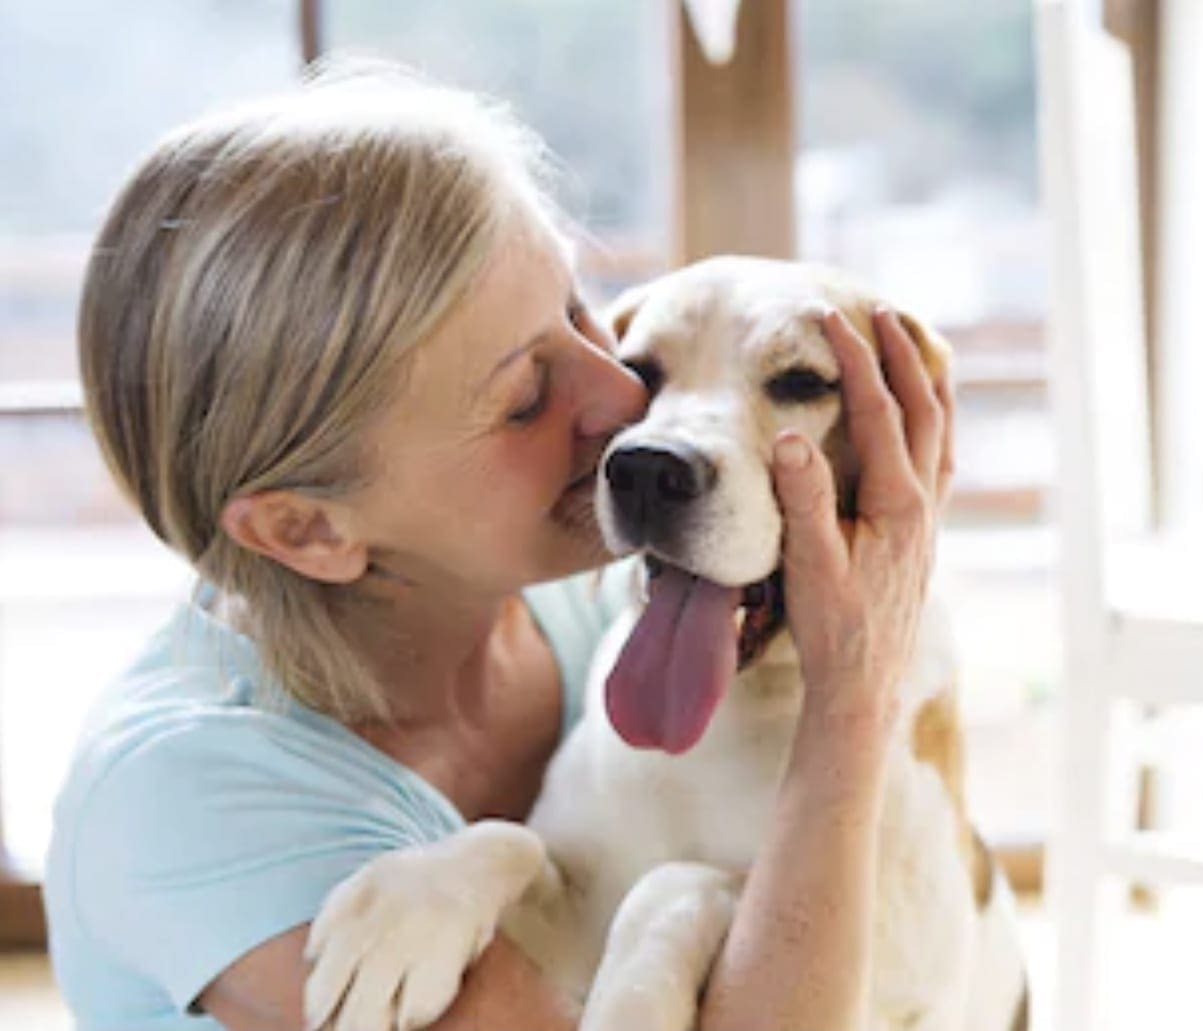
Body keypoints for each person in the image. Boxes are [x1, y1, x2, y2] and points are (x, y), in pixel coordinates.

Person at [43, 61, 953, 1031]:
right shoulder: (192, 807)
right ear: (309, 526)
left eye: (577, 312)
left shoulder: (591, 603)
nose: (622, 402)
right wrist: (853, 699)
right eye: (524, 395)